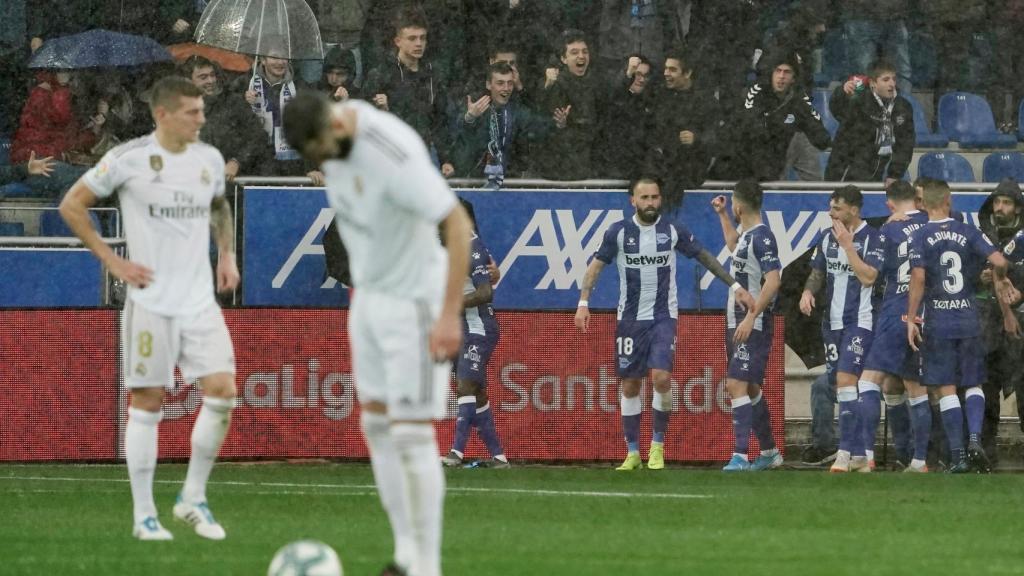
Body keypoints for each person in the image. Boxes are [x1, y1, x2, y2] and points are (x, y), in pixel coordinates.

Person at [282, 90, 472, 576]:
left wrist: (449, 314)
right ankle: (405, 555)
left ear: (335, 124)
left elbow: (454, 223)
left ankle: (426, 567)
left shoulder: (389, 146)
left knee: (411, 434)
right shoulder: (329, 148)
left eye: (323, 149)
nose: (322, 161)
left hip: (415, 301)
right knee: (376, 427)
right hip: (369, 299)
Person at [58, 77, 238, 540]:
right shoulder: (127, 159)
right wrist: (111, 258)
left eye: (202, 111)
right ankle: (144, 516)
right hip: (152, 302)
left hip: (199, 299)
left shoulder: (209, 159)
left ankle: (192, 498)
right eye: (192, 112)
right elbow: (72, 204)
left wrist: (227, 255)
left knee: (222, 390)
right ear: (163, 114)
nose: (202, 119)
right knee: (148, 401)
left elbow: (219, 206)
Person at [574, 177, 755, 471]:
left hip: (663, 317)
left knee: (660, 377)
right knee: (630, 385)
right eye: (644, 198)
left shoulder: (671, 229)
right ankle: (633, 452)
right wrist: (583, 303)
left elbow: (704, 256)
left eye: (655, 197)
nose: (650, 203)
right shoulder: (618, 233)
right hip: (629, 320)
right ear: (632, 201)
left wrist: (735, 286)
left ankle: (657, 447)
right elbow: (595, 266)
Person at [907, 179, 1020, 473]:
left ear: (925, 204)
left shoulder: (920, 236)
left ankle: (957, 455)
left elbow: (918, 279)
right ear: (948, 201)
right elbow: (998, 259)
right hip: (970, 319)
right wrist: (1002, 276)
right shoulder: (967, 231)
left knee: (946, 388)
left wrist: (911, 317)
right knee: (974, 382)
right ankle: (974, 440)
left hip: (939, 321)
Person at [799, 185, 884, 473]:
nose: (831, 212)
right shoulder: (827, 237)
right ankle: (859, 454)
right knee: (840, 384)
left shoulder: (872, 237)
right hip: (831, 324)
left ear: (854, 210)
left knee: (848, 380)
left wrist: (849, 245)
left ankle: (845, 453)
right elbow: (818, 272)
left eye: (836, 208)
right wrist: (808, 292)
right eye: (830, 206)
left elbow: (869, 277)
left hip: (860, 321)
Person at [711, 180, 783, 472]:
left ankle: (740, 455)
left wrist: (752, 316)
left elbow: (774, 280)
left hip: (752, 322)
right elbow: (733, 246)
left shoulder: (763, 237)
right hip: (736, 320)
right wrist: (722, 215)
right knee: (750, 386)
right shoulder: (746, 235)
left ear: (740, 204)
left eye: (732, 204)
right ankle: (769, 452)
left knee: (735, 383)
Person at [855, 181, 928, 471]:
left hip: (897, 307)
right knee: (913, 386)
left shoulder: (889, 230)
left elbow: (870, 276)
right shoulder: (933, 223)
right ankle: (918, 459)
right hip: (925, 312)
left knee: (868, 381)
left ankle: (867, 457)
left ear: (889, 204)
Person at [442, 199, 508, 469]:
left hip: (478, 327)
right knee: (476, 392)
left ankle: (456, 453)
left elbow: (485, 292)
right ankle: (499, 457)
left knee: (465, 386)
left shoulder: (472, 245)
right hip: (459, 329)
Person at [362, 7, 455, 177]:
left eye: (422, 38)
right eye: (412, 38)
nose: (419, 43)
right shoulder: (380, 75)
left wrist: (446, 159)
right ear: (398, 41)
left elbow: (439, 123)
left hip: (423, 158)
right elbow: (365, 125)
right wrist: (384, 111)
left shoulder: (432, 76)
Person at [721, 50, 830, 182]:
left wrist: (807, 126)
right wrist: (781, 123)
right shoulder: (755, 92)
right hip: (747, 156)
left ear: (793, 78)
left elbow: (822, 137)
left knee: (801, 139)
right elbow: (752, 128)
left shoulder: (799, 99)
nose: (781, 76)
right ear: (772, 73)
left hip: (778, 155)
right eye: (778, 71)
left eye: (787, 72)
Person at [976, 179, 1024, 462]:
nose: (1000, 208)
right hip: (991, 323)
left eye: (1006, 203)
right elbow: (968, 276)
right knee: (988, 388)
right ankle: (986, 451)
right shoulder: (982, 237)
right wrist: (979, 278)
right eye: (996, 202)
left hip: (1021, 320)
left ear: (1017, 207)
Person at [450, 62, 554, 185]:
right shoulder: (476, 106)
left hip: (510, 181)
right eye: (500, 83)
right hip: (475, 181)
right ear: (489, 84)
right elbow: (458, 135)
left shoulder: (518, 111)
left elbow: (541, 127)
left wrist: (558, 123)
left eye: (509, 83)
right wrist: (469, 118)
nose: (506, 88)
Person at [179, 55, 270, 182]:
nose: (211, 80)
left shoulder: (233, 102)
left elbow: (258, 136)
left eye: (212, 75)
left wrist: (237, 161)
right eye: (203, 77)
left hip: (232, 185)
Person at [646, 50, 717, 208]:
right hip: (662, 167)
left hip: (690, 169)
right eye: (666, 68)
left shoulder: (705, 101)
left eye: (672, 69)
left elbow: (715, 138)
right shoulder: (660, 96)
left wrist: (697, 139)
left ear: (687, 73)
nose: (666, 73)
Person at [825, 60, 914, 185]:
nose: (892, 84)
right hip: (848, 171)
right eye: (886, 80)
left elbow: (905, 144)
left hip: (879, 171)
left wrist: (895, 174)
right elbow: (837, 109)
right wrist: (842, 92)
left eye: (894, 79)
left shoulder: (903, 107)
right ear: (873, 83)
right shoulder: (858, 102)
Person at [535, 29, 601, 181]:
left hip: (591, 161)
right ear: (563, 58)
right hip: (561, 165)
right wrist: (562, 125)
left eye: (585, 52)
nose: (581, 56)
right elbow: (544, 123)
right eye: (574, 52)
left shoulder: (596, 83)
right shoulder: (554, 84)